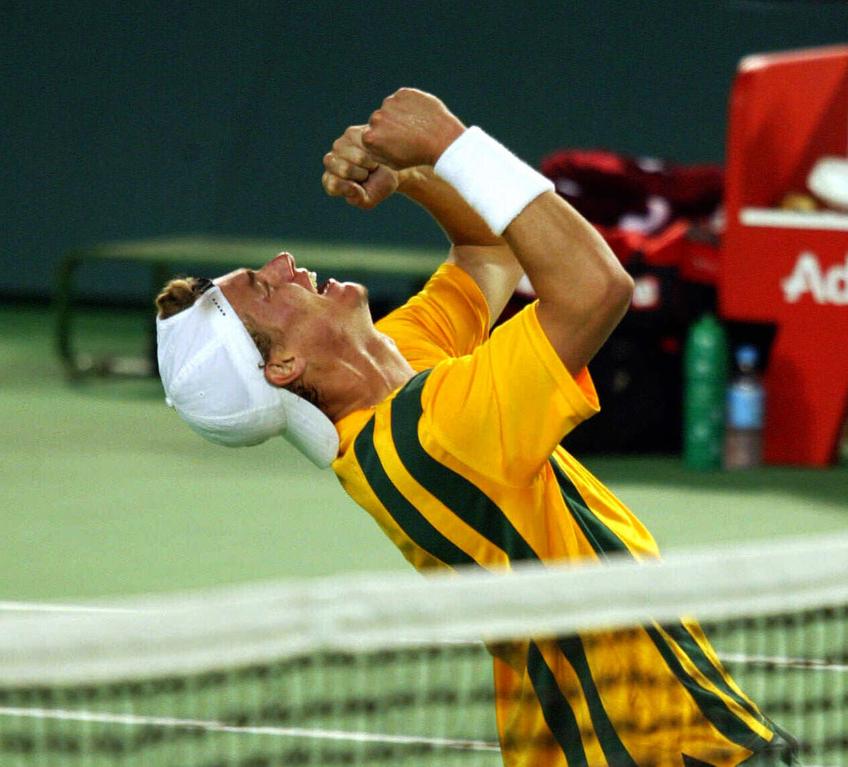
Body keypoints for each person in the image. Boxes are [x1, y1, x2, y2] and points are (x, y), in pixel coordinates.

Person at [155, 88, 796, 767]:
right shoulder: (436, 437)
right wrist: (453, 148)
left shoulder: (399, 369)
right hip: (656, 752)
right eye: (263, 286)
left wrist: (411, 181)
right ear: (282, 365)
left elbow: (489, 249)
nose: (284, 264)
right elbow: (597, 287)